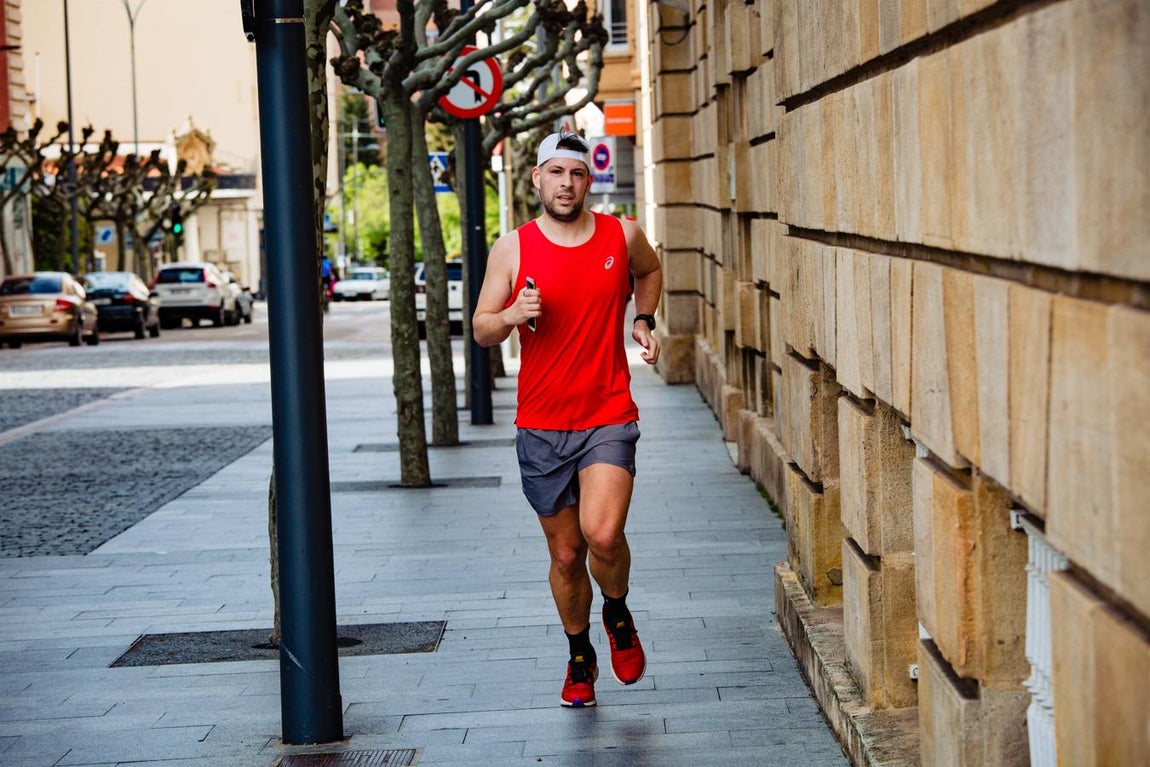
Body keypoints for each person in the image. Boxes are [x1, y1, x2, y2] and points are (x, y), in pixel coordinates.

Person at [473, 130, 663, 708]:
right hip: (541, 422)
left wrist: (643, 319)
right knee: (566, 554)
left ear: (589, 178)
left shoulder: (620, 234)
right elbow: (482, 329)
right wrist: (510, 313)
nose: (566, 183)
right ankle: (580, 654)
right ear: (537, 178)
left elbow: (648, 273)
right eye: (555, 173)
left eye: (576, 173)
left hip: (607, 411)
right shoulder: (513, 249)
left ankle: (618, 612)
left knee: (602, 534)